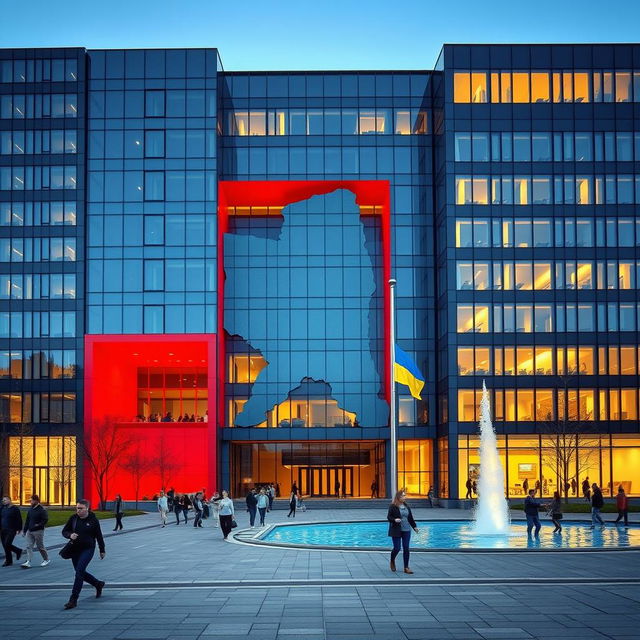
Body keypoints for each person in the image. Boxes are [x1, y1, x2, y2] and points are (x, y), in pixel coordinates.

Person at [61, 500, 106, 610]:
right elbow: (64, 531)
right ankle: (97, 584)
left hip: (88, 548)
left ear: (87, 508)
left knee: (80, 570)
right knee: (79, 572)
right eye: (77, 508)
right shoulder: (73, 518)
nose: (78, 510)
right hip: (75, 549)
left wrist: (102, 549)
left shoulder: (93, 520)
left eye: (81, 508)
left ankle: (73, 599)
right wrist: (70, 535)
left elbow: (99, 535)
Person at [387, 489, 419, 574]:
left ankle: (406, 567)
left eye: (405, 495)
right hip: (396, 530)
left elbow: (410, 518)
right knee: (397, 548)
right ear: (398, 497)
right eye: (403, 496)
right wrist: (394, 520)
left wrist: (414, 527)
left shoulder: (406, 506)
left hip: (406, 530)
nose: (405, 497)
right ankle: (392, 560)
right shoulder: (393, 506)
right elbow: (389, 517)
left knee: (406, 548)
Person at [21, 494, 49, 568]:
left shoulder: (42, 509)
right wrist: (24, 531)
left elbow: (45, 519)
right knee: (28, 546)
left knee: (40, 546)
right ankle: (28, 561)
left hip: (38, 531)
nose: (31, 502)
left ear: (36, 501)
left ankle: (46, 559)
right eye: (30, 500)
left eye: (32, 500)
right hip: (29, 531)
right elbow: (27, 520)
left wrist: (39, 525)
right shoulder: (30, 509)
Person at [0, 496, 23, 566]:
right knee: (5, 545)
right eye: (3, 500)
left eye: (5, 500)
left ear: (10, 500)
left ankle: (18, 551)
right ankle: (9, 561)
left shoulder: (15, 509)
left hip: (11, 529)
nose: (3, 501)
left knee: (7, 544)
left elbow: (19, 519)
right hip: (3, 529)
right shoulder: (2, 508)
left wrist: (19, 529)